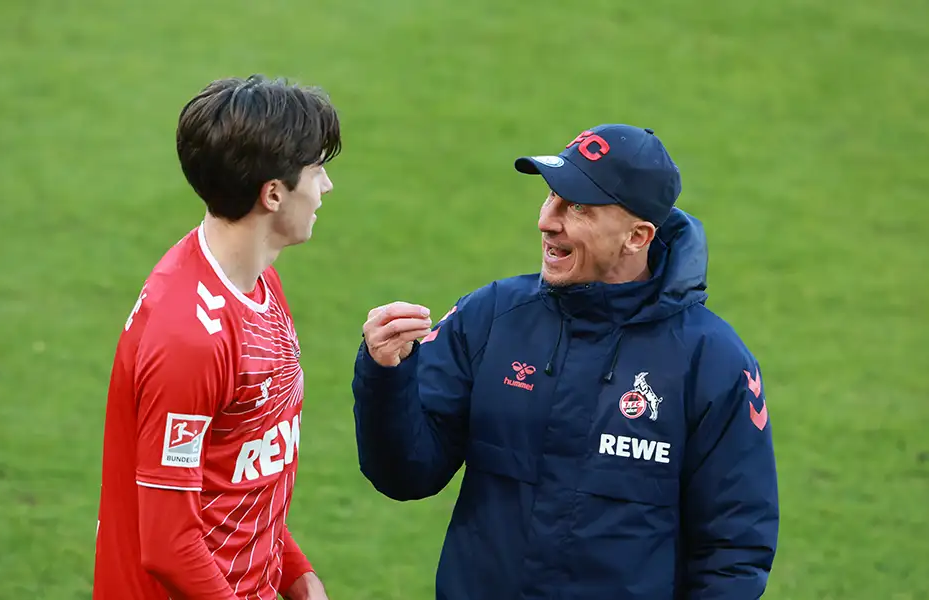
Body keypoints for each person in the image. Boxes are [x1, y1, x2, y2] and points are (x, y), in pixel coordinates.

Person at [352, 124, 780, 599]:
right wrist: (387, 374)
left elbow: (735, 551)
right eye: (551, 196)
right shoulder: (491, 317)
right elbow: (406, 473)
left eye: (577, 207)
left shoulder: (713, 362)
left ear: (637, 237)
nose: (547, 221)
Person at [93, 74, 340, 600]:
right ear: (273, 193)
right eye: (317, 171)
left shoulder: (257, 280)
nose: (325, 187)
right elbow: (169, 545)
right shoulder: (189, 337)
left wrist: (298, 576)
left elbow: (239, 470)